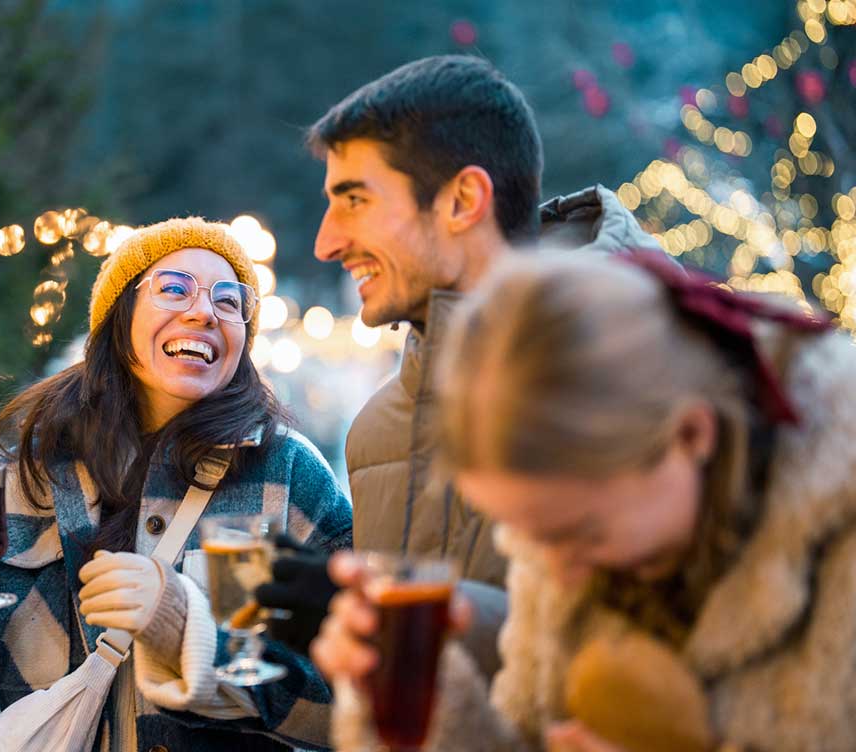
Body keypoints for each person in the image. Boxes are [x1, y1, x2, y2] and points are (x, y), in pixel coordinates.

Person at [313, 250, 855, 751]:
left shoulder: (840, 540)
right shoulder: (554, 539)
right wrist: (418, 698)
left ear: (690, 436)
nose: (555, 575)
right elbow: (521, 737)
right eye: (524, 535)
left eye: (583, 533)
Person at [0, 217, 354, 751]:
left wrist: (192, 634)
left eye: (229, 301)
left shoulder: (288, 472)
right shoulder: (40, 471)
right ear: (121, 317)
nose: (204, 311)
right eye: (174, 288)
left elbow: (356, 700)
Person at [257, 55, 660, 672]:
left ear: (463, 199)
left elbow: (660, 660)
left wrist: (402, 616)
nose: (326, 242)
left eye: (355, 200)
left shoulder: (643, 370)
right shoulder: (377, 429)